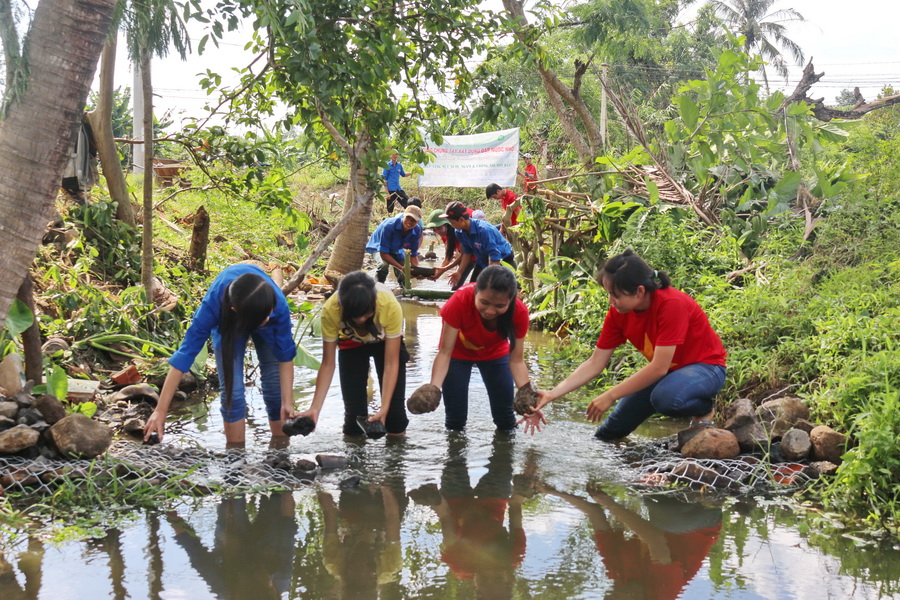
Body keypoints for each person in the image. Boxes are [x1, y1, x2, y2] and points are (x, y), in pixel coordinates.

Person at [533, 249, 727, 440]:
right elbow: (595, 363)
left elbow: (659, 368)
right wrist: (551, 394)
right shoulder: (618, 314)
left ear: (640, 291)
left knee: (665, 399)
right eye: (608, 293)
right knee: (608, 434)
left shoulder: (671, 304)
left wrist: (610, 395)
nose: (611, 301)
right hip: (669, 375)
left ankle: (705, 409)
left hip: (706, 369)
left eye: (616, 295)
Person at [144, 264, 297, 446]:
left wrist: (287, 402)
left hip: (258, 311)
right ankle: (235, 458)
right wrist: (160, 411)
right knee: (234, 393)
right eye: (263, 318)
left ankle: (280, 452)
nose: (268, 319)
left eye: (269, 314)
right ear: (237, 312)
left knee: (274, 390)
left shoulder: (275, 308)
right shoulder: (213, 308)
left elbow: (285, 355)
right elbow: (185, 355)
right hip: (229, 325)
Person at [538, 484, 721, 600]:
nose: (615, 593)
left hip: (665, 518)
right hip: (701, 524)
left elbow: (595, 512)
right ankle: (708, 496)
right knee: (663, 513)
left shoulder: (618, 575)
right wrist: (610, 504)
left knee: (644, 489)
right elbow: (655, 538)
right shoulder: (662, 595)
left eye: (609, 596)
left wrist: (552, 491)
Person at [427, 265, 540, 432]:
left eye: (499, 306)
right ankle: (455, 455)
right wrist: (433, 389)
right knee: (455, 418)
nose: (490, 311)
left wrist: (528, 397)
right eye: (484, 303)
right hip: (458, 354)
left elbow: (516, 360)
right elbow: (445, 352)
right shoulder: (459, 300)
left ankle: (505, 456)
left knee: (506, 417)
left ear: (511, 300)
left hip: (495, 353)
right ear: (475, 293)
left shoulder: (519, 312)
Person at [298, 271, 409, 436]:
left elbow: (391, 363)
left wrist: (383, 409)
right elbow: (328, 363)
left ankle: (396, 457)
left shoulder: (388, 305)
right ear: (343, 308)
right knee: (354, 420)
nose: (361, 320)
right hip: (352, 344)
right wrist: (314, 409)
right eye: (355, 316)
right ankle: (355, 459)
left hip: (385, 344)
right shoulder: (331, 309)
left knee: (394, 418)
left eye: (367, 314)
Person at [440, 201, 515, 290]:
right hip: (483, 260)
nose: (452, 226)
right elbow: (467, 253)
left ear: (461, 220)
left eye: (452, 222)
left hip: (503, 261)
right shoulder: (459, 231)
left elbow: (494, 256)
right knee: (474, 290)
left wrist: (490, 279)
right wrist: (459, 272)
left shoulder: (484, 230)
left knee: (503, 291)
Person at [365, 205, 423, 286]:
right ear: (404, 216)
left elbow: (413, 254)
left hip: (396, 249)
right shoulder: (389, 226)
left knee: (404, 273)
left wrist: (417, 271)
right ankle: (377, 287)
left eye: (413, 220)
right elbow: (383, 253)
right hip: (378, 246)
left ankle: (405, 290)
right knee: (383, 266)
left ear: (417, 222)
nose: (409, 222)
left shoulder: (417, 230)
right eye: (408, 218)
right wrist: (401, 268)